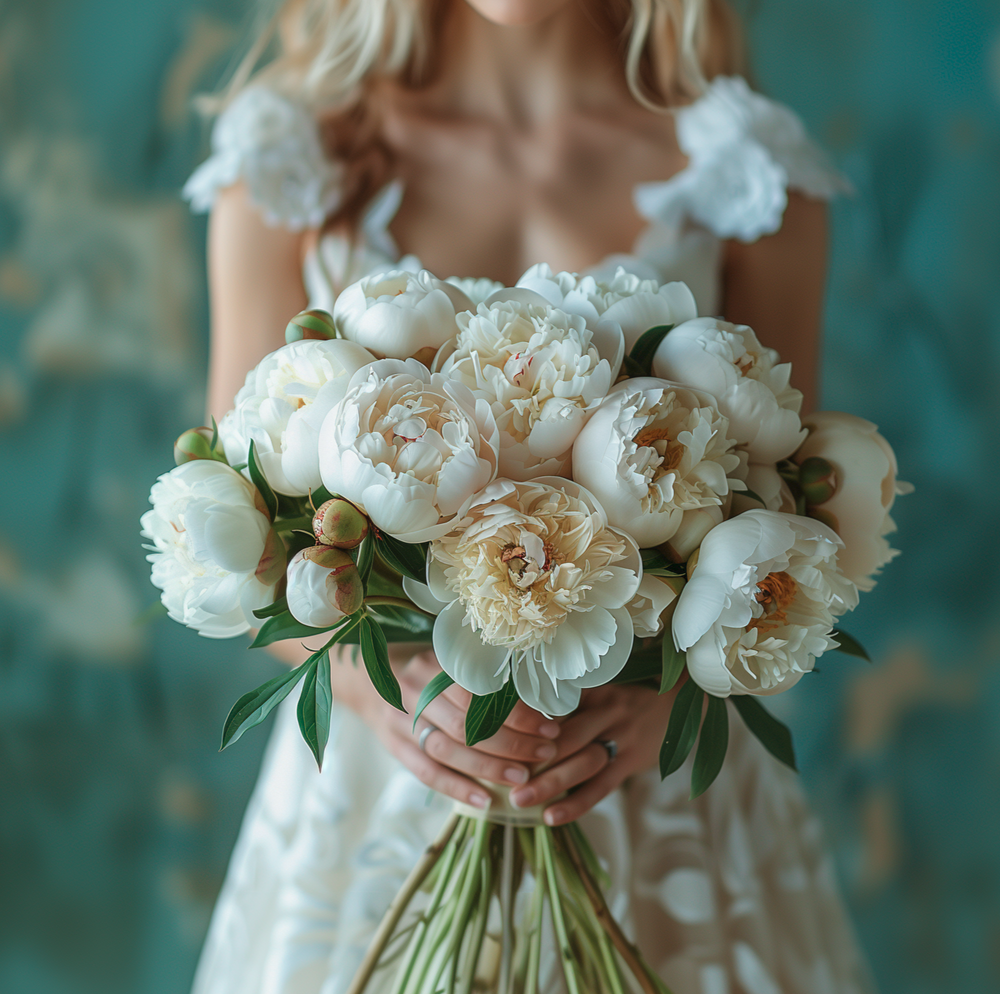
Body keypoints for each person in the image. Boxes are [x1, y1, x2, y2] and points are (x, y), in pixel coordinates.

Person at [185, 1, 876, 991]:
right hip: (394, 784)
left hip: (653, 784)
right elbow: (242, 544)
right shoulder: (295, 166)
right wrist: (389, 690)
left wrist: (672, 699)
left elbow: (799, 532)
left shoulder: (745, 177)